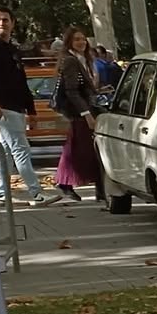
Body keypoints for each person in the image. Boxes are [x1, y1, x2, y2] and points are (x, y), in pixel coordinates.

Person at [0, 7, 55, 205]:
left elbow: (21, 81)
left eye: (5, 20)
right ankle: (36, 193)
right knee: (21, 150)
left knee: (7, 151)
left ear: (12, 23)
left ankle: (1, 193)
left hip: (15, 106)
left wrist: (31, 109)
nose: (2, 23)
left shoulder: (11, 49)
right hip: (2, 108)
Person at [53, 25, 105, 204]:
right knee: (83, 149)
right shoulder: (70, 61)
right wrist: (86, 114)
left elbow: (84, 86)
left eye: (83, 39)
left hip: (85, 109)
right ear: (69, 42)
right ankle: (66, 183)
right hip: (78, 112)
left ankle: (96, 187)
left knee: (80, 148)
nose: (81, 42)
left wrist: (98, 90)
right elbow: (72, 91)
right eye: (76, 39)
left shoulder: (84, 59)